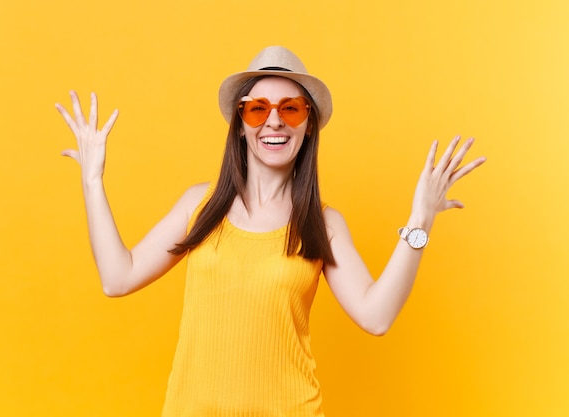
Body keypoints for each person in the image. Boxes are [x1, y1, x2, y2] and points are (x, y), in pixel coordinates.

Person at [56, 46, 486, 416]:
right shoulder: (200, 206)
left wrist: (420, 222)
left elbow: (376, 317)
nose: (274, 122)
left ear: (308, 124)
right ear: (241, 124)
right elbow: (117, 278)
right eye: (258, 108)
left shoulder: (322, 224)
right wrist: (92, 182)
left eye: (291, 108)